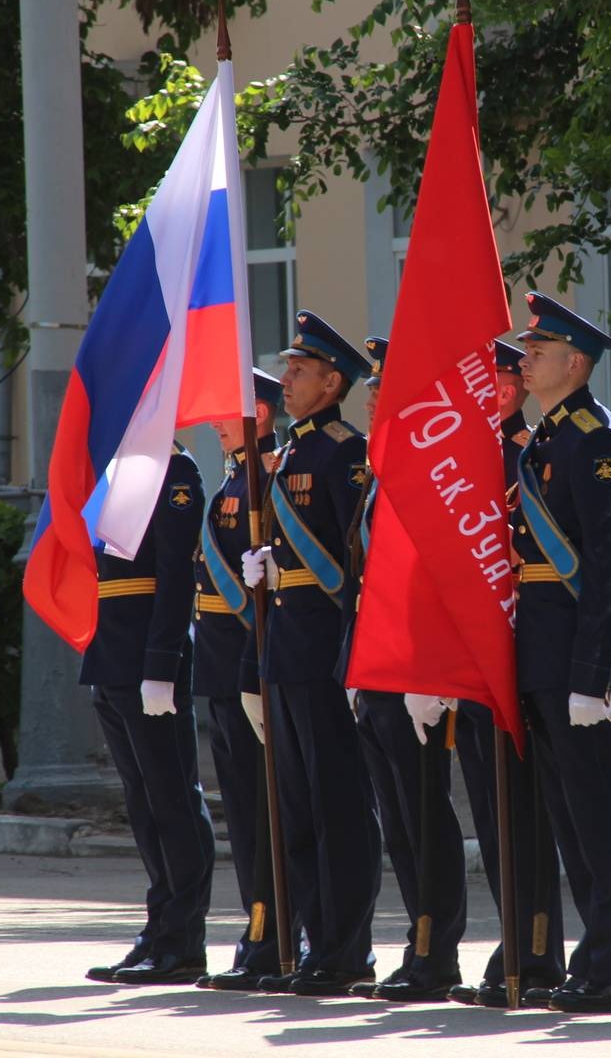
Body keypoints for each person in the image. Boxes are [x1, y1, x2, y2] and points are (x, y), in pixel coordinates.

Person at [509, 292, 611, 1014]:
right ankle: (595, 956)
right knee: (569, 818)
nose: (524, 361)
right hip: (540, 655)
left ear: (577, 362)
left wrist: (595, 674)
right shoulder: (544, 439)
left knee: (597, 812)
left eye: (537, 352)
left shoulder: (597, 441)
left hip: (575, 662)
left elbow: (606, 569)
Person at [240, 311, 382, 997]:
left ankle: (345, 949)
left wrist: (357, 660)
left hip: (326, 653)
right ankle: (309, 941)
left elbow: (355, 568)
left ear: (332, 382)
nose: (286, 379)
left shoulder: (344, 454)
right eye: (288, 368)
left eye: (298, 371)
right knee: (297, 811)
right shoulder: (292, 452)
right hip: (287, 651)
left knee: (337, 809)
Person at [341, 336, 468, 1002]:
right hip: (379, 665)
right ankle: (418, 946)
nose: (372, 397)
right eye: (372, 388)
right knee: (397, 819)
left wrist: (432, 673)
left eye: (384, 388)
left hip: (417, 671)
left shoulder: (432, 474)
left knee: (425, 816)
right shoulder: (383, 472)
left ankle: (438, 951)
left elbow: (445, 578)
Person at [444, 337, 568, 1008]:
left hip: (518, 659)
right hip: (475, 663)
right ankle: (513, 938)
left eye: (487, 382)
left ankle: (539, 948)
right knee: (492, 817)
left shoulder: (523, 460)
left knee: (523, 814)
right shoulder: (469, 465)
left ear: (509, 390)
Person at [82, 442, 217, 986]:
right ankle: (159, 929)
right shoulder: (115, 472)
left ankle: (183, 940)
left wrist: (160, 664)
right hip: (112, 657)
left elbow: (175, 575)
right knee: (143, 804)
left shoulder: (174, 470)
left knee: (172, 800)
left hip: (147, 659)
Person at [192, 369, 292, 991]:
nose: (212, 421)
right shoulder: (236, 473)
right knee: (244, 812)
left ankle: (274, 937)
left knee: (264, 812)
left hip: (248, 665)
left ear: (258, 410)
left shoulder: (268, 472)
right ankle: (257, 932)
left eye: (225, 411)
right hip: (222, 668)